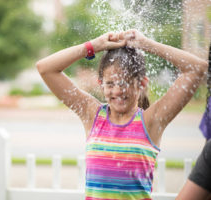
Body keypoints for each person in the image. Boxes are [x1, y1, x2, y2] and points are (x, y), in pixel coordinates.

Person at [36, 29, 207, 199]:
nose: (117, 91)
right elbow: (45, 68)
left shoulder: (151, 121)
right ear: (100, 84)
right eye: (110, 84)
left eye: (125, 82)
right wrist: (94, 46)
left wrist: (147, 44)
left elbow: (197, 69)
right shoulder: (92, 115)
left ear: (141, 83)